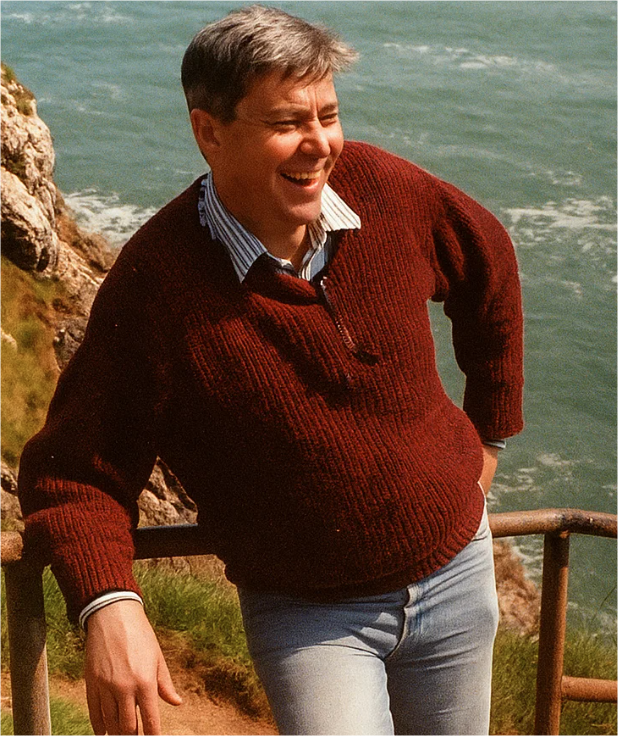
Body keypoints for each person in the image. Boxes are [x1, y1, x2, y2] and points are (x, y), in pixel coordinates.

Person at [18, 5, 524, 736]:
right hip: (312, 617)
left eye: (329, 115)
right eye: (289, 122)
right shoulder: (158, 284)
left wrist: (490, 436)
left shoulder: (385, 189)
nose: (321, 144)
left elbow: (489, 257)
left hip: (458, 570)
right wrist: (109, 603)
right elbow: (74, 473)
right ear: (209, 132)